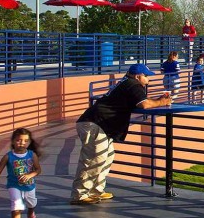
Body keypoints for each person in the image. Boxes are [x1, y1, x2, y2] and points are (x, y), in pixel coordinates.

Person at [71, 64, 171, 204]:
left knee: (107, 157)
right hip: (95, 124)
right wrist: (162, 101)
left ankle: (95, 191)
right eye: (146, 76)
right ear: (138, 76)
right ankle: (80, 195)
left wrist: (158, 101)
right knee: (94, 159)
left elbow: (138, 101)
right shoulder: (133, 84)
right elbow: (144, 104)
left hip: (99, 124)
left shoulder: (125, 83)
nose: (148, 79)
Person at [0, 128, 42, 218]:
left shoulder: (32, 155)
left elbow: (38, 170)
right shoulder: (8, 156)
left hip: (29, 185)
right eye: (18, 140)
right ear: (13, 141)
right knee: (16, 205)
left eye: (25, 141)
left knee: (31, 203)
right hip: (14, 185)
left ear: (29, 142)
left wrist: (30, 175)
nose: (22, 143)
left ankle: (31, 213)